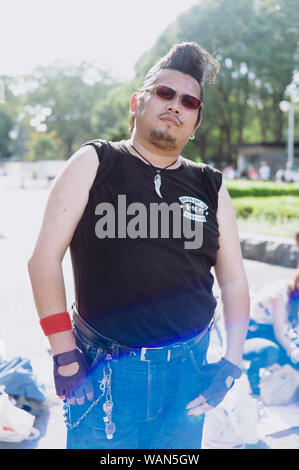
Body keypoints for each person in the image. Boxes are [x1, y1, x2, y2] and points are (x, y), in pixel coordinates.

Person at [27, 42, 250, 449]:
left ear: (196, 121)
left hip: (188, 374)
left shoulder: (210, 186)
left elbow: (233, 280)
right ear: (137, 101)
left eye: (188, 101)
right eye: (164, 93)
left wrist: (233, 362)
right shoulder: (96, 162)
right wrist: (64, 354)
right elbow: (43, 261)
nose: (175, 105)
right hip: (101, 373)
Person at [243, 270, 299, 395]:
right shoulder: (282, 292)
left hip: (270, 333)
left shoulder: (295, 297)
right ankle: (254, 380)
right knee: (273, 351)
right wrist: (293, 350)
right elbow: (279, 331)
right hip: (252, 333)